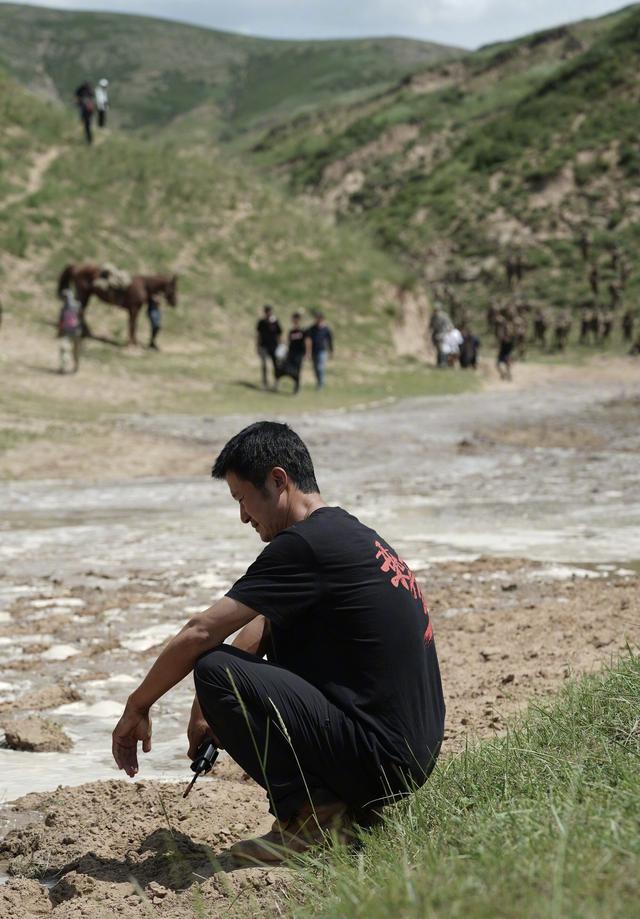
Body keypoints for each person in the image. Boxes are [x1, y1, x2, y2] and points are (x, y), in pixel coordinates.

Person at [112, 422, 445, 863]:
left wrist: (138, 706)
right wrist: (206, 710)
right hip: (409, 756)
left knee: (212, 668)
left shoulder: (304, 546)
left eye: (242, 499)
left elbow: (200, 632)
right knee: (236, 664)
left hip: (382, 759)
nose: (244, 516)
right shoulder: (347, 533)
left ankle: (313, 821)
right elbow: (263, 622)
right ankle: (345, 810)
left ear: (277, 480)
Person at [276, 312, 306, 394]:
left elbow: (307, 342)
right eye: (294, 319)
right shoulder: (291, 331)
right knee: (287, 369)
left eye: (296, 319)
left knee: (298, 370)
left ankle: (297, 387)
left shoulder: (303, 331)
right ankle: (279, 383)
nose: (295, 321)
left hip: (299, 353)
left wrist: (307, 353)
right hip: (291, 353)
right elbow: (289, 342)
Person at [256, 305, 282, 390]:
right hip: (263, 346)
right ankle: (264, 383)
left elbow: (279, 334)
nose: (268, 313)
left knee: (275, 365)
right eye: (267, 311)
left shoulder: (276, 322)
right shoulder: (261, 322)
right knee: (264, 365)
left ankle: (276, 382)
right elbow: (258, 335)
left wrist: (280, 346)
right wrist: (257, 346)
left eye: (270, 311)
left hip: (274, 347)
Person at [305, 312, 333, 389]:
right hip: (314, 351)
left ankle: (321, 384)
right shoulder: (312, 329)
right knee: (315, 368)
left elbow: (329, 341)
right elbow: (308, 340)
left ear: (322, 319)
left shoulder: (326, 329)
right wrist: (308, 352)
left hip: (322, 351)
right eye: (316, 318)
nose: (317, 320)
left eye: (319, 318)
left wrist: (331, 351)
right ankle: (318, 382)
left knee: (320, 367)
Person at [57, 288, 82, 373]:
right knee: (71, 350)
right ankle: (72, 367)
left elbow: (61, 322)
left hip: (70, 332)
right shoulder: (77, 306)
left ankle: (70, 367)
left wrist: (59, 332)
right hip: (74, 332)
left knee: (66, 350)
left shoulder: (64, 309)